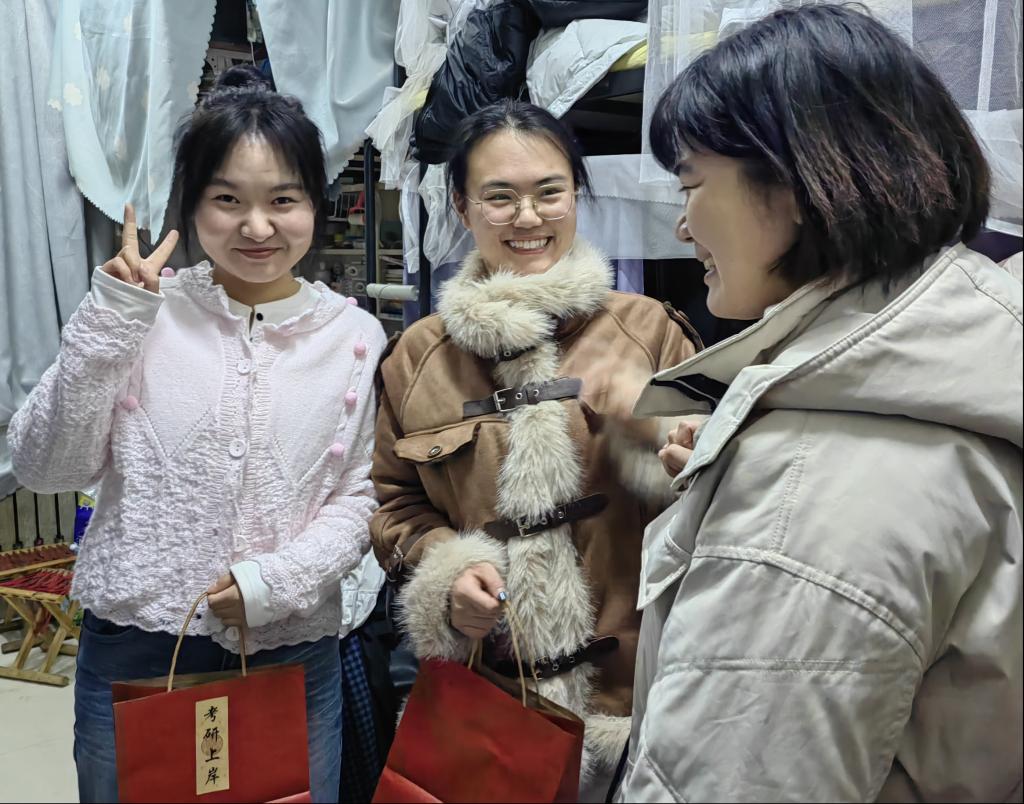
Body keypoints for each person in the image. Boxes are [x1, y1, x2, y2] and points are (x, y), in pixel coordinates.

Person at [616, 6, 1023, 801]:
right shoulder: (964, 364)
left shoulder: (807, 491)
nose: (682, 224)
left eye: (692, 183)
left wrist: (766, 484)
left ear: (797, 185)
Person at [9, 65, 386, 803]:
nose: (257, 227)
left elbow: (361, 493)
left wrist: (277, 581)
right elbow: (45, 466)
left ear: (316, 203)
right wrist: (112, 322)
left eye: (283, 200)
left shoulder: (355, 336)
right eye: (227, 199)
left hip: (290, 645)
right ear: (191, 204)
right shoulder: (139, 312)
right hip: (138, 643)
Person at [370, 99, 699, 799]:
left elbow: (716, 500)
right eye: (500, 197)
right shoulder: (417, 358)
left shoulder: (651, 332)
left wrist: (649, 429)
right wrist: (448, 576)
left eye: (549, 192)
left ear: (576, 194)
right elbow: (396, 505)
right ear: (462, 208)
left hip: (636, 702)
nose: (528, 217)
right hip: (491, 704)